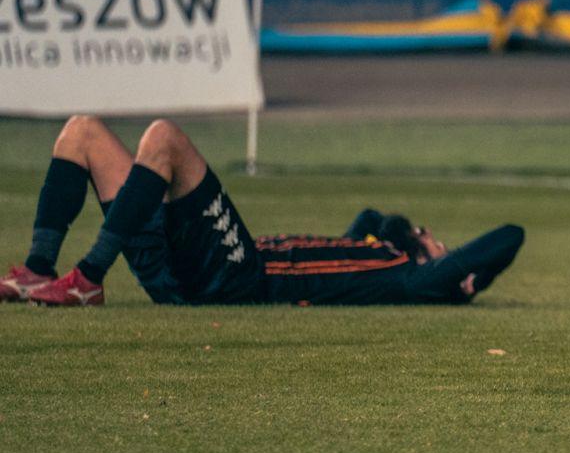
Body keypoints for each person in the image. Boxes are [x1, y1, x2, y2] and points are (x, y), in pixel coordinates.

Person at [0, 116, 523, 307]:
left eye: (438, 241)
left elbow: (510, 234)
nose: (430, 236)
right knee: (82, 132)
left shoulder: (416, 280)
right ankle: (39, 269)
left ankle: (88, 277)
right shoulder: (369, 252)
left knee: (164, 139)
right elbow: (370, 217)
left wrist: (462, 275)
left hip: (236, 275)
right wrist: (403, 230)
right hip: (187, 271)